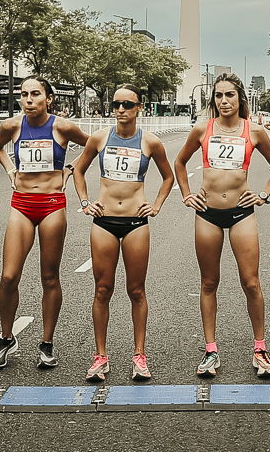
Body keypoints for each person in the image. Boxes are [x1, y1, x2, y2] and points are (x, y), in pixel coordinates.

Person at [174, 73, 270, 378]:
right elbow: (180, 162)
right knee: (209, 283)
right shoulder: (202, 129)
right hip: (208, 213)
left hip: (242, 214)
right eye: (219, 96)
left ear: (240, 99)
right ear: (214, 100)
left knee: (251, 282)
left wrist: (262, 194)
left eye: (230, 95)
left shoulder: (255, 131)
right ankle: (211, 351)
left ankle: (260, 349)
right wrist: (186, 194)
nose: (224, 101)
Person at [0, 77, 93, 370]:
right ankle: (7, 337)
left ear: (49, 98)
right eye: (24, 95)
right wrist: (10, 169)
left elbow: (93, 145)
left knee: (49, 276)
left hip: (51, 205)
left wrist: (72, 169)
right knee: (9, 276)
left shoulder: (62, 126)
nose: (29, 99)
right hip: (21, 204)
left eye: (36, 94)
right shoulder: (12, 126)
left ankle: (46, 343)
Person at [71, 84, 175, 382]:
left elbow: (168, 176)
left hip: (135, 223)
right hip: (104, 222)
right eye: (116, 104)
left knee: (136, 290)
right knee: (103, 289)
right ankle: (100, 356)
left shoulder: (151, 142)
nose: (120, 109)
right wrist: (86, 202)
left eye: (127, 104)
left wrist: (155, 205)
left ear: (138, 107)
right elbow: (78, 170)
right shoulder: (100, 138)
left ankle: (139, 356)